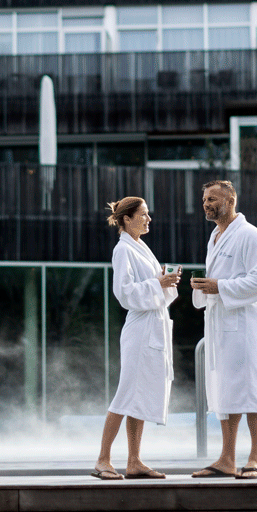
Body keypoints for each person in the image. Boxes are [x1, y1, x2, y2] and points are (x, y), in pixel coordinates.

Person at [92, 196, 181, 480]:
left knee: (139, 396)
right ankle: (103, 460)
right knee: (126, 394)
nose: (148, 219)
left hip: (152, 325)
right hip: (140, 329)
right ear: (126, 219)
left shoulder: (140, 246)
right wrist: (158, 283)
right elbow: (125, 293)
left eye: (148, 214)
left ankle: (134, 461)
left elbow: (152, 287)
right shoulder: (123, 250)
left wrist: (165, 282)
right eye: (143, 214)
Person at [190, 179, 257, 480]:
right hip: (220, 325)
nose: (207, 204)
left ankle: (255, 459)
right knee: (225, 389)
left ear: (231, 200)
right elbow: (218, 282)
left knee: (251, 388)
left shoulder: (250, 235)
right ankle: (227, 458)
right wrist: (205, 288)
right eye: (204, 200)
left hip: (243, 324)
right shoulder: (215, 237)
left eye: (212, 198)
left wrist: (219, 286)